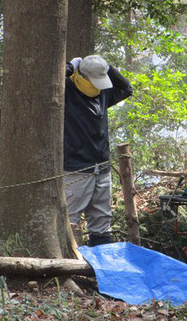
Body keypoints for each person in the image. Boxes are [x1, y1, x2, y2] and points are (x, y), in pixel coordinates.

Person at [64, 55, 133, 246]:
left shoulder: (103, 92)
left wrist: (105, 68)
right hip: (75, 170)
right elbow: (49, 82)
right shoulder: (67, 91)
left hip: (101, 169)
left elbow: (127, 89)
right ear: (82, 77)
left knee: (102, 224)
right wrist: (71, 66)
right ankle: (65, 266)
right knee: (69, 220)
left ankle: (100, 269)